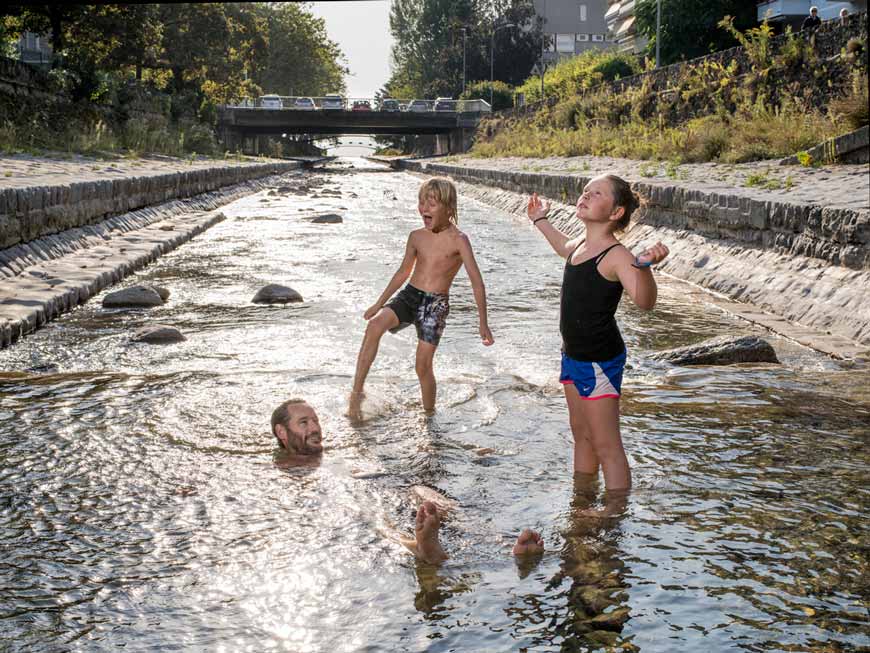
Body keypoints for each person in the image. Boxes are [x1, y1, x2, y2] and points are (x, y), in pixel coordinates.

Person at [525, 175, 669, 501]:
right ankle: (582, 499)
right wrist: (540, 220)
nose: (586, 195)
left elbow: (645, 303)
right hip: (573, 355)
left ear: (616, 212)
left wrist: (644, 267)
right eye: (585, 191)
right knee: (582, 435)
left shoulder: (617, 255)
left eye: (597, 193)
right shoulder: (579, 244)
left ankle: (615, 511)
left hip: (600, 360)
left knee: (607, 444)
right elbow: (562, 245)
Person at [349, 177, 493, 418]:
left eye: (431, 204)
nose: (424, 208)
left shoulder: (459, 240)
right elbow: (403, 272)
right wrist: (378, 303)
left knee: (422, 365)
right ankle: (356, 393)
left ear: (449, 208)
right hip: (409, 295)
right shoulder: (416, 236)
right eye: (421, 202)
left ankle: (429, 415)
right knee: (374, 326)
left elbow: (477, 282)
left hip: (435, 305)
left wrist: (483, 323)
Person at [399, 501, 545, 564]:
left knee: (417, 490)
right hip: (459, 518)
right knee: (464, 521)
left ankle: (417, 546)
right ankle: (421, 547)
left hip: (453, 515)